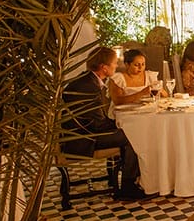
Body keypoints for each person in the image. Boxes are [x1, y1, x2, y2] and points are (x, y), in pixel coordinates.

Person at [62, 47, 148, 200]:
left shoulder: (87, 80)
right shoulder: (88, 86)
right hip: (81, 139)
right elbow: (97, 125)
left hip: (83, 132)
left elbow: (95, 119)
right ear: (104, 67)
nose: (116, 66)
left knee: (127, 131)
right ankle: (128, 187)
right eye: (114, 64)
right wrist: (119, 125)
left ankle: (125, 180)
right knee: (132, 135)